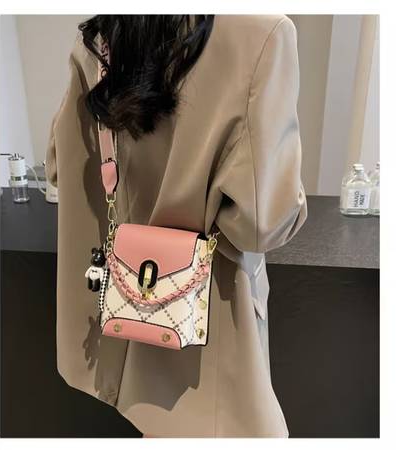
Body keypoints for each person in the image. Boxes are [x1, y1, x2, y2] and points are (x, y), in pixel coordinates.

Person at [45, 14, 307, 438]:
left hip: (116, 331)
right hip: (207, 342)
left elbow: (60, 168)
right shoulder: (263, 33)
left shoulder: (101, 38)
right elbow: (262, 224)